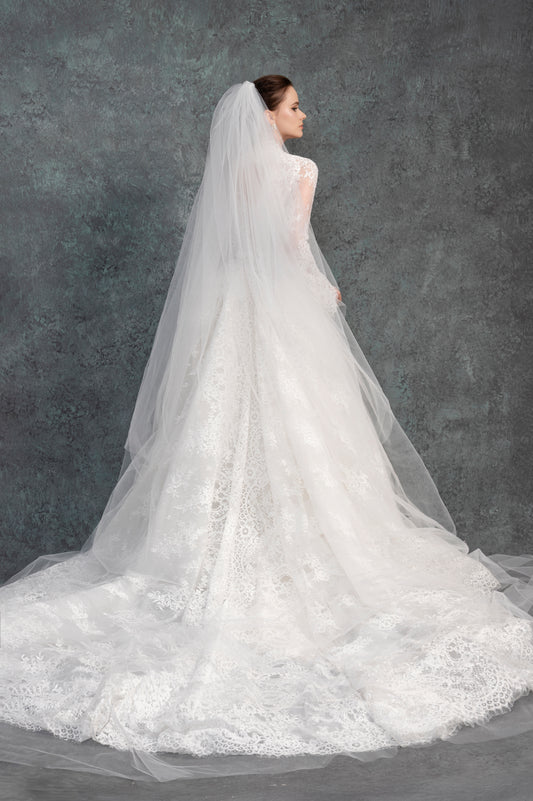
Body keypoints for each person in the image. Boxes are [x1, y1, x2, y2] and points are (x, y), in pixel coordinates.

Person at [0, 76, 533, 784]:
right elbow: (288, 251)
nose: (304, 114)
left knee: (218, 432)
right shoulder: (297, 169)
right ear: (271, 117)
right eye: (295, 106)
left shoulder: (232, 171)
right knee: (304, 431)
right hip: (279, 316)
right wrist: (324, 292)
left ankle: (201, 558)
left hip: (229, 318)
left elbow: (223, 260)